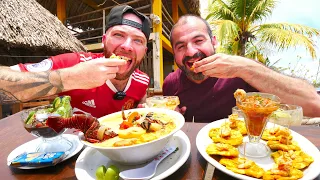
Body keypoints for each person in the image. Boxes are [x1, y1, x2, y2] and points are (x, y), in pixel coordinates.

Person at [1, 5, 151, 118]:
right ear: (104, 41)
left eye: (138, 40)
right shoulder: (76, 63)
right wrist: (70, 78)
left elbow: (139, 107)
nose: (127, 46)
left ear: (144, 51)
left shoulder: (142, 81)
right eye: (119, 35)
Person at [163, 15, 320, 122]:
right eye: (181, 46)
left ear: (214, 42)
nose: (190, 52)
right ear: (174, 52)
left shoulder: (242, 71)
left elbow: (314, 106)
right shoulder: (171, 83)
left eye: (198, 40)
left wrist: (245, 68)